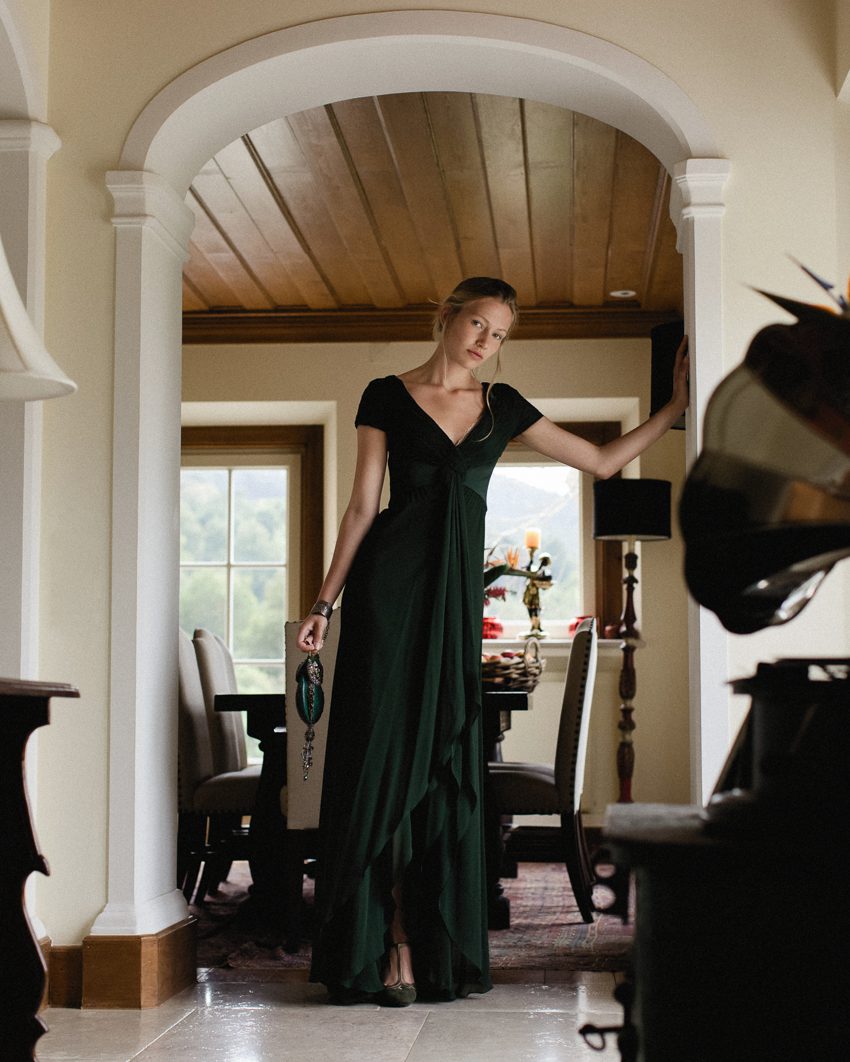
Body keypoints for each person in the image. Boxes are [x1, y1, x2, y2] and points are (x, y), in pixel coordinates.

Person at [296, 277, 689, 1005]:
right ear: (446, 316)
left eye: (500, 334)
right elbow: (360, 508)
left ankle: (424, 943)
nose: (486, 342)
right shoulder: (385, 395)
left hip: (452, 605)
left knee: (439, 765)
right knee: (380, 764)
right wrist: (325, 602)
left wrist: (670, 411)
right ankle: (386, 943)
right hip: (387, 594)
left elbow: (601, 462)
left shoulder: (502, 406)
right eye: (478, 324)